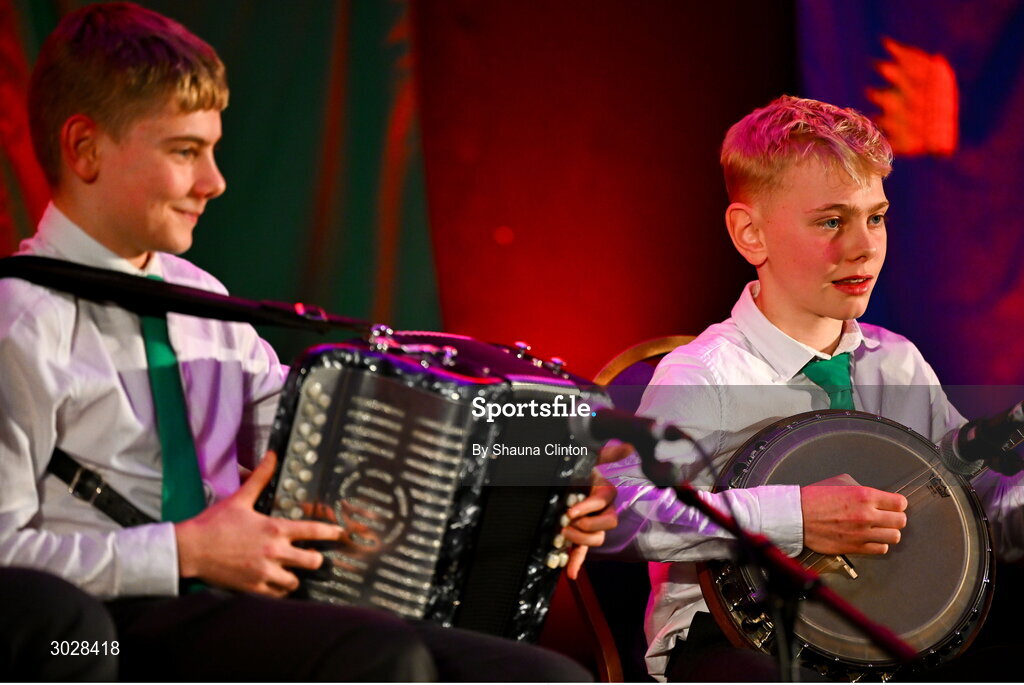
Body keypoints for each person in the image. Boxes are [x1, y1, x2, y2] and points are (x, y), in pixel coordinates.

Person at [0, 3, 614, 680]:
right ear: (85, 148)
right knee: (381, 658)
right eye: (184, 152)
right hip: (99, 636)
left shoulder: (200, 300)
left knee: (548, 677)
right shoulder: (18, 324)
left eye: (212, 150)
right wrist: (183, 552)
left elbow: (328, 449)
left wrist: (537, 491)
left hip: (228, 612)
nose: (213, 182)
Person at [598, 95, 1024, 681]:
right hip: (738, 642)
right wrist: (793, 515)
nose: (864, 246)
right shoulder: (706, 374)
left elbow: (977, 507)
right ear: (751, 233)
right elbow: (617, 510)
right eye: (831, 222)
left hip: (885, 635)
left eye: (875, 218)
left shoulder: (896, 363)